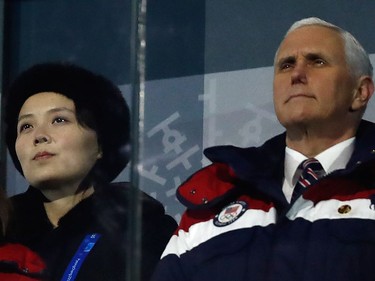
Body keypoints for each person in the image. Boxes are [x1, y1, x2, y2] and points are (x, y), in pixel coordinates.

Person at [151, 17, 375, 281]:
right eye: (286, 65)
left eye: (317, 61)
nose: (297, 74)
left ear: (360, 92)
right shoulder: (214, 200)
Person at [3, 62, 177, 281]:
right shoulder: (4, 229)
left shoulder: (141, 229)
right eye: (26, 126)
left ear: (100, 145)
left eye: (59, 119)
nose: (39, 135)